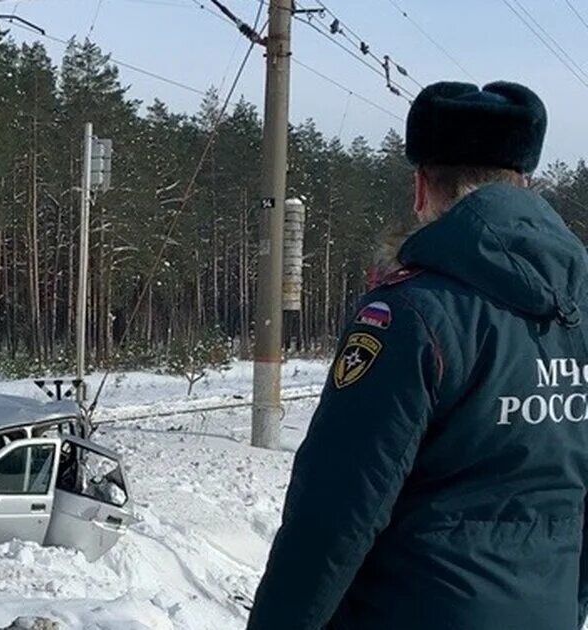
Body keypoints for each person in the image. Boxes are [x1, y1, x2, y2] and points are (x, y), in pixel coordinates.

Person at [247, 82, 588, 630]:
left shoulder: (409, 317)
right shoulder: (578, 311)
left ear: (420, 187)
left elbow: (336, 512)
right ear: (524, 184)